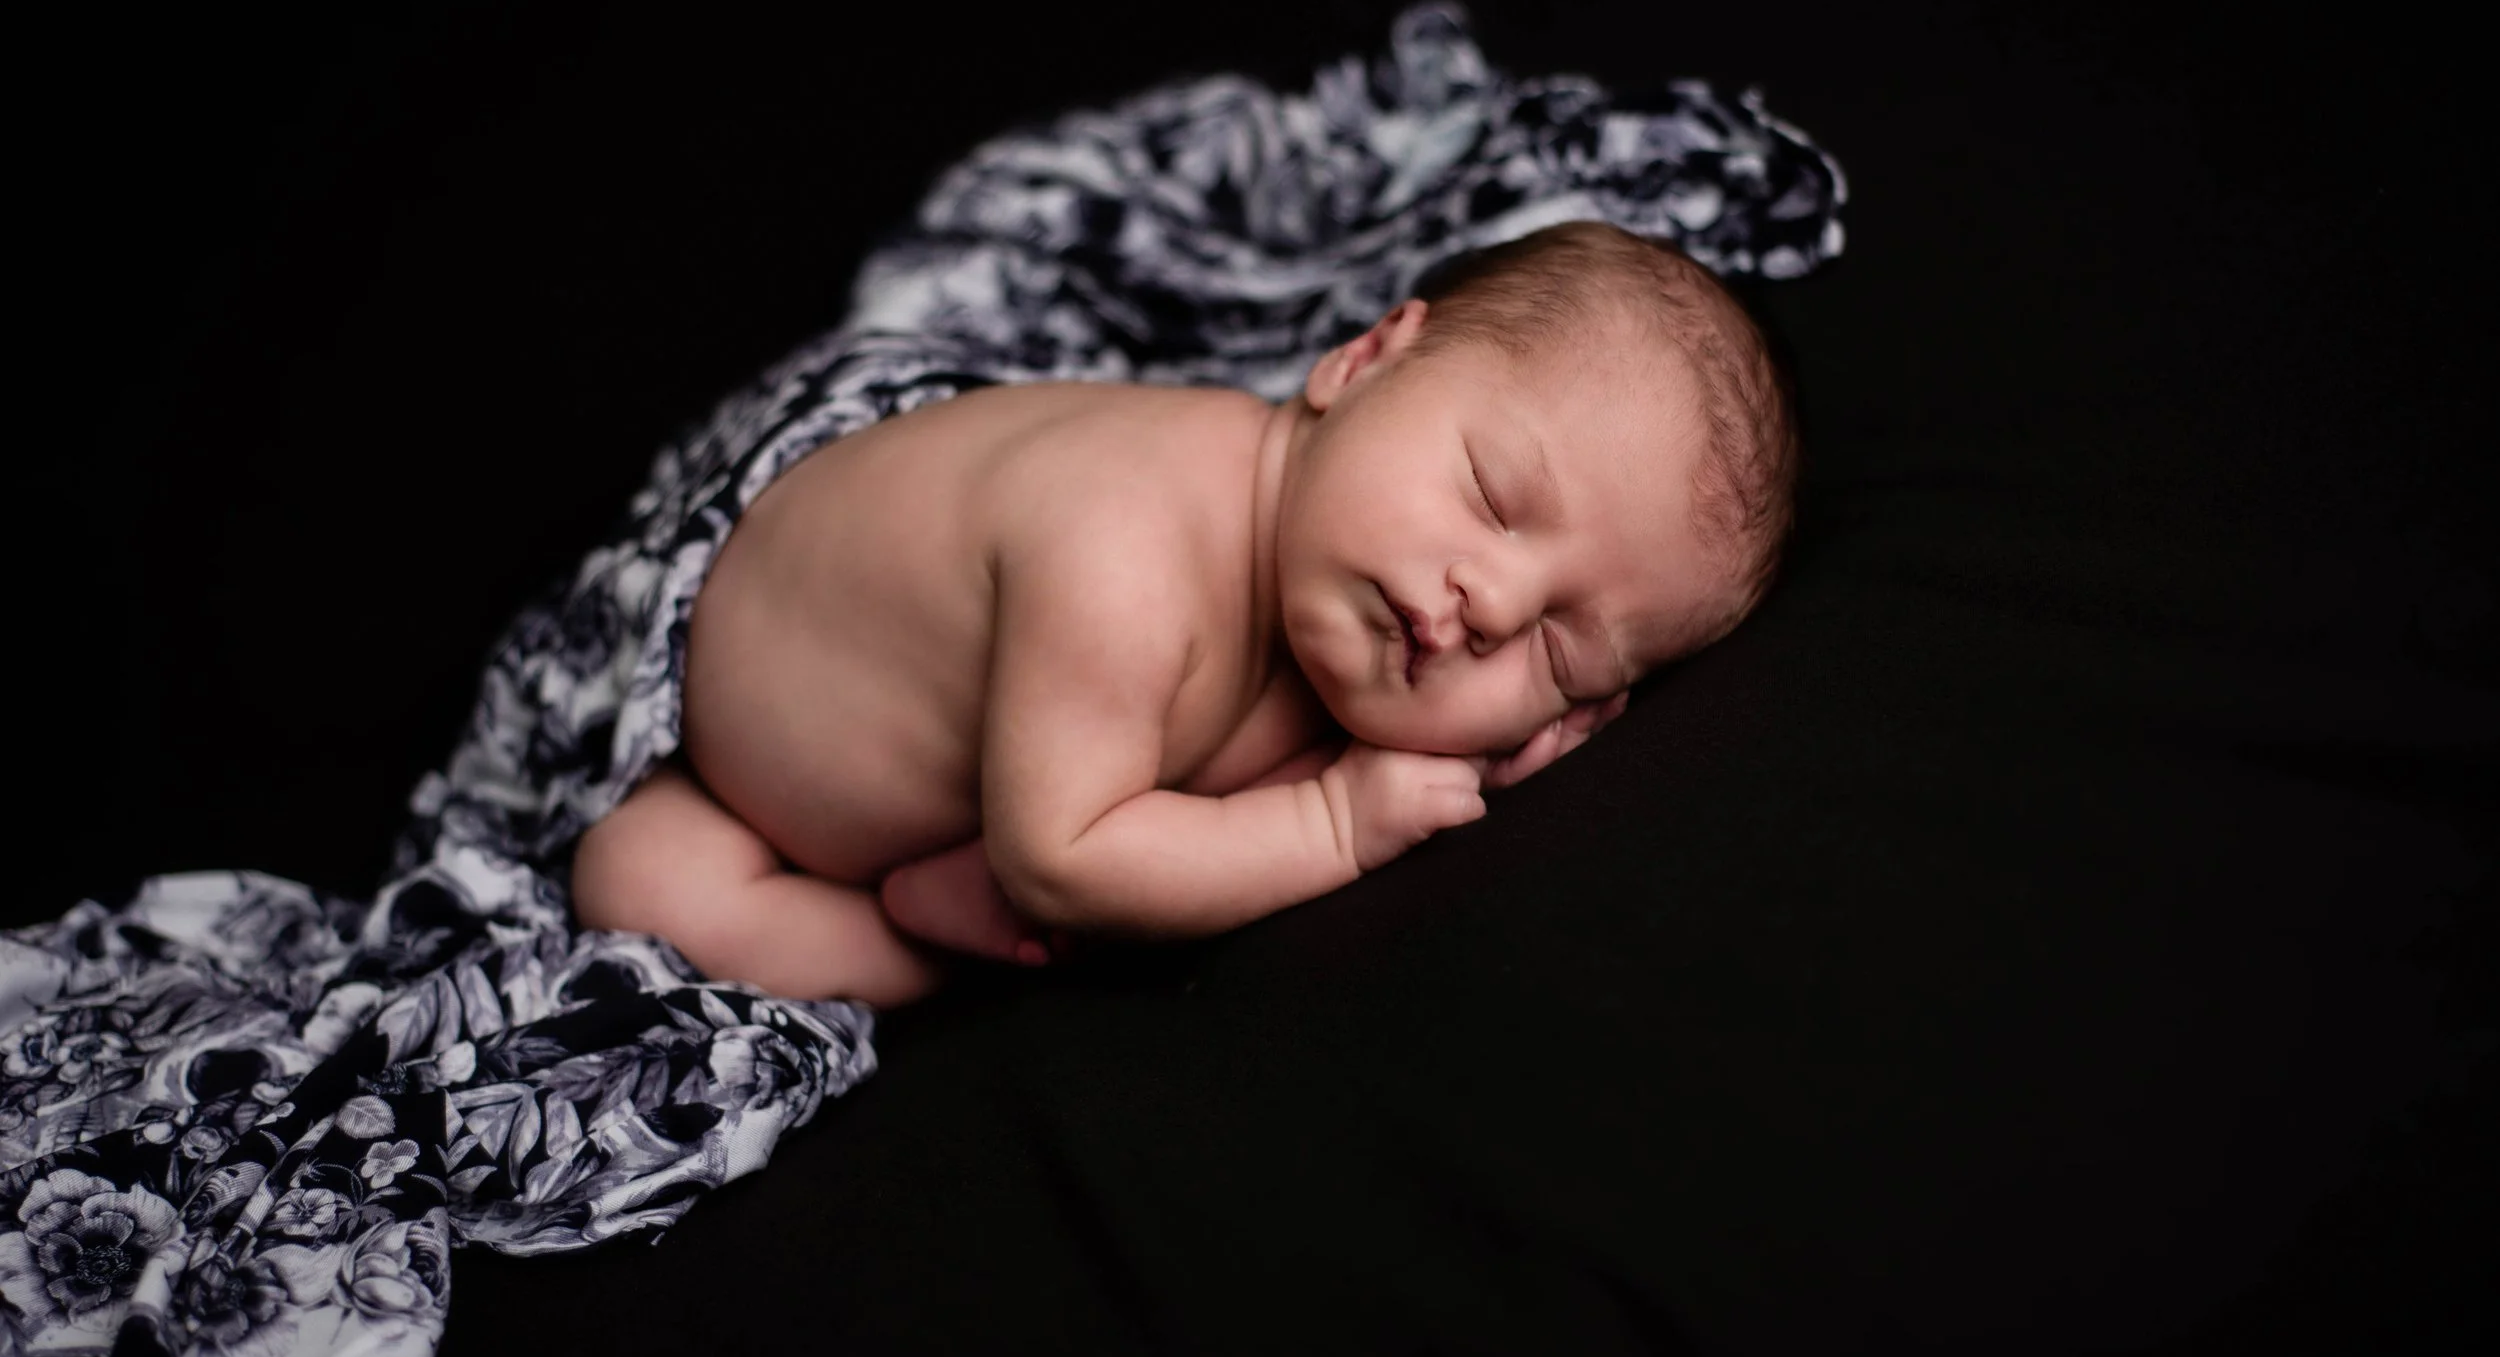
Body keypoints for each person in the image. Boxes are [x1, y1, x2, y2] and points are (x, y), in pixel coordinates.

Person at [569, 221, 1799, 1005]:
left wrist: (1504, 746)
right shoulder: (1129, 550)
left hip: (1002, 785)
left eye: (1557, 646)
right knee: (636, 885)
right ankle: (929, 944)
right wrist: (1331, 823)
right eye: (1490, 493)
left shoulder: (1348, 618)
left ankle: (941, 893)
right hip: (723, 693)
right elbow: (1061, 859)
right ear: (1362, 362)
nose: (1491, 604)